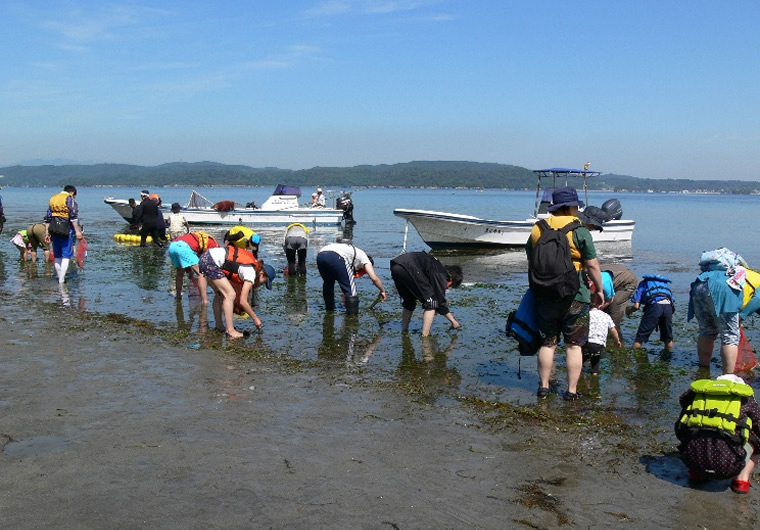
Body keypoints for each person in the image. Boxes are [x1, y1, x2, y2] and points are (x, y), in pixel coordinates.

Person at [526, 186, 604, 401]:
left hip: (544, 294)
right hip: (575, 295)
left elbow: (532, 260)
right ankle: (571, 391)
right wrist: (598, 289)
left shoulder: (537, 228)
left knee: (547, 342)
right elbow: (592, 265)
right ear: (571, 207)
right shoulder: (580, 230)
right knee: (573, 345)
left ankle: (543, 387)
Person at [675, 374, 760, 494]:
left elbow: (680, 427)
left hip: (692, 460)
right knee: (756, 440)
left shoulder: (697, 396)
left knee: (691, 429)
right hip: (728, 467)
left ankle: (696, 473)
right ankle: (741, 480)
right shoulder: (745, 400)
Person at [199, 232, 275, 338]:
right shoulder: (251, 272)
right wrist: (255, 318)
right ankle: (230, 330)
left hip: (205, 257)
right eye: (264, 282)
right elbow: (243, 301)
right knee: (230, 294)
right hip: (211, 261)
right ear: (262, 273)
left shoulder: (250, 266)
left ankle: (219, 325)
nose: (261, 285)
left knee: (220, 294)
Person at [688, 248, 746, 374]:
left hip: (700, 285)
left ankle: (704, 369)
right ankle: (728, 375)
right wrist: (742, 316)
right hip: (723, 288)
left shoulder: (708, 272)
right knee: (730, 336)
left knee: (706, 331)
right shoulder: (744, 274)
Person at [389, 251, 463, 336]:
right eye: (449, 286)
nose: (446, 288)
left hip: (396, 265)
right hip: (409, 266)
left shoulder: (434, 267)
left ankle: (404, 331)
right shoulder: (441, 274)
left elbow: (425, 289)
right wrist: (453, 321)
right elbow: (440, 301)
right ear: (451, 279)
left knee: (409, 301)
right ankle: (425, 336)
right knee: (432, 303)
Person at [316, 242, 386, 314]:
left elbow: (344, 282)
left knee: (328, 283)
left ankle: (329, 311)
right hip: (336, 256)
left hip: (321, 255)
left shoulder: (354, 256)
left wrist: (345, 296)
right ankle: (352, 320)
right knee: (352, 292)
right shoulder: (365, 260)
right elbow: (374, 278)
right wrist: (382, 290)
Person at [626, 274, 675, 353]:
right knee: (668, 338)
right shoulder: (664, 284)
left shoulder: (643, 284)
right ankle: (669, 358)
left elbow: (636, 306)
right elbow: (672, 300)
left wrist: (628, 311)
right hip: (668, 307)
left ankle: (635, 358)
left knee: (639, 339)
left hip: (654, 307)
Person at [45, 185, 84, 283]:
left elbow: (48, 218)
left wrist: (47, 233)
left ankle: (59, 277)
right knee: (66, 256)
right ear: (72, 193)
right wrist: (78, 232)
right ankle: (62, 280)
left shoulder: (53, 199)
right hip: (65, 230)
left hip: (53, 229)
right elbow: (73, 218)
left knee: (57, 256)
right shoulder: (70, 199)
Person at [168, 231, 219, 305]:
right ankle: (205, 301)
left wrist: (189, 272)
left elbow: (186, 259)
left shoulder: (197, 238)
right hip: (183, 248)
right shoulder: (215, 247)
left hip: (172, 247)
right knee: (202, 274)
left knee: (180, 273)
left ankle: (178, 296)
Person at [583, 307, 622, 375]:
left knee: (580, 361)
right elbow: (613, 330)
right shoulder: (606, 316)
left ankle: (578, 378)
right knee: (595, 364)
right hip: (599, 344)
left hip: (587, 342)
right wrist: (617, 341)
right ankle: (595, 379)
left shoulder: (586, 314)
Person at [600, 264, 638, 331]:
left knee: (614, 308)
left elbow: (609, 300)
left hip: (627, 281)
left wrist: (597, 309)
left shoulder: (603, 282)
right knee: (602, 313)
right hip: (614, 276)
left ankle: (616, 338)